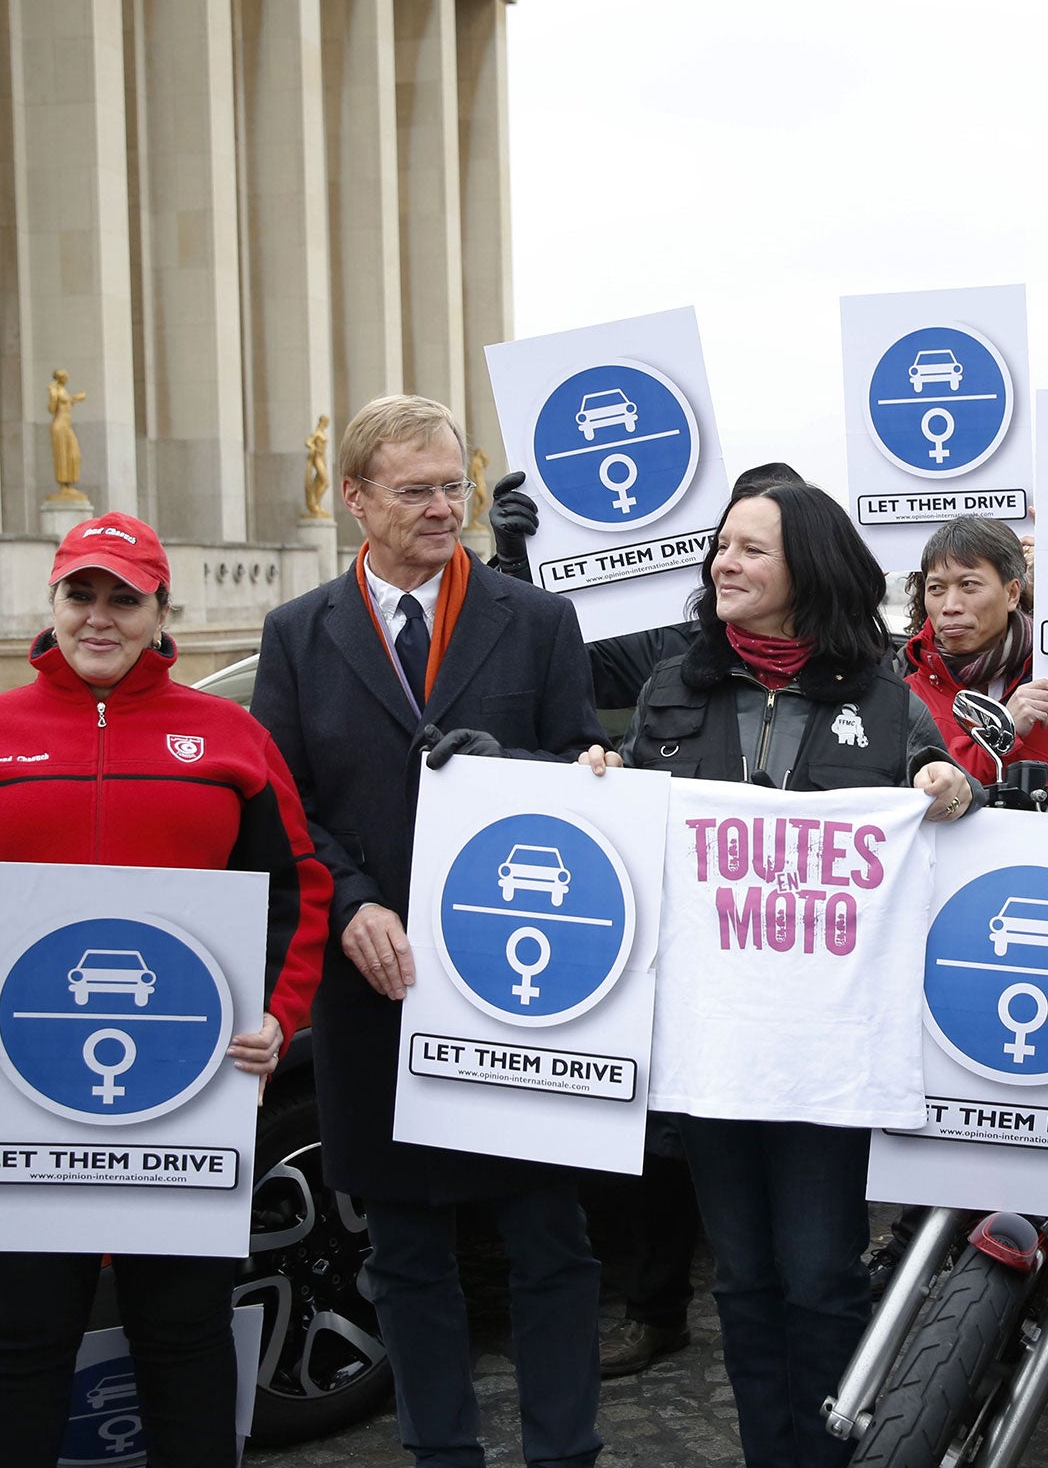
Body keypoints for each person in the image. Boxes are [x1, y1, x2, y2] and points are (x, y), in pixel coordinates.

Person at [252, 395, 613, 1468]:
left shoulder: (535, 621)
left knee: (550, 1243)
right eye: (414, 490)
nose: (443, 507)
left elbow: (587, 767)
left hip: (522, 981)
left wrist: (545, 770)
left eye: (453, 485)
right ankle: (439, 1455)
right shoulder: (297, 634)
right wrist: (354, 898)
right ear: (353, 499)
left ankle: (563, 1454)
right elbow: (283, 805)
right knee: (406, 1252)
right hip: (373, 987)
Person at [0, 512, 330, 1466]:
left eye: (126, 597)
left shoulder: (231, 739)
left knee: (185, 1341)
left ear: (164, 613)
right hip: (15, 1101)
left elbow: (297, 892)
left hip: (184, 1105)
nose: (101, 617)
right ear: (55, 602)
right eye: (82, 594)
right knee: (10, 1346)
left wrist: (280, 1017)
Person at [625, 481, 977, 1468]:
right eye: (720, 548)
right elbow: (640, 828)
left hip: (826, 1049)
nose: (722, 565)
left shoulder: (878, 694)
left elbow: (943, 800)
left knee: (822, 1275)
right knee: (739, 1280)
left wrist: (952, 785)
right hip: (710, 1040)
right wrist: (602, 783)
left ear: (804, 572)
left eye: (747, 550)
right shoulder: (673, 685)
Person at [485, 459, 806, 1379]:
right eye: (730, 536)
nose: (733, 558)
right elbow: (553, 658)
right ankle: (659, 1307)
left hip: (800, 941)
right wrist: (514, 562)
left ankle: (813, 1304)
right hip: (691, 935)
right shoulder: (676, 648)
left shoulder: (860, 661)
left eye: (765, 538)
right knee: (671, 1140)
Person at [488, 460, 807, 712]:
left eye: (754, 548)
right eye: (723, 546)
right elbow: (564, 667)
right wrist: (518, 567)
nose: (728, 563)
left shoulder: (853, 659)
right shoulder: (672, 648)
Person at [901, 514, 1048, 786]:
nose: (950, 606)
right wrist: (1003, 731)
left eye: (968, 585)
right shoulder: (906, 698)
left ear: (1012, 594)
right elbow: (920, 800)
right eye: (936, 588)